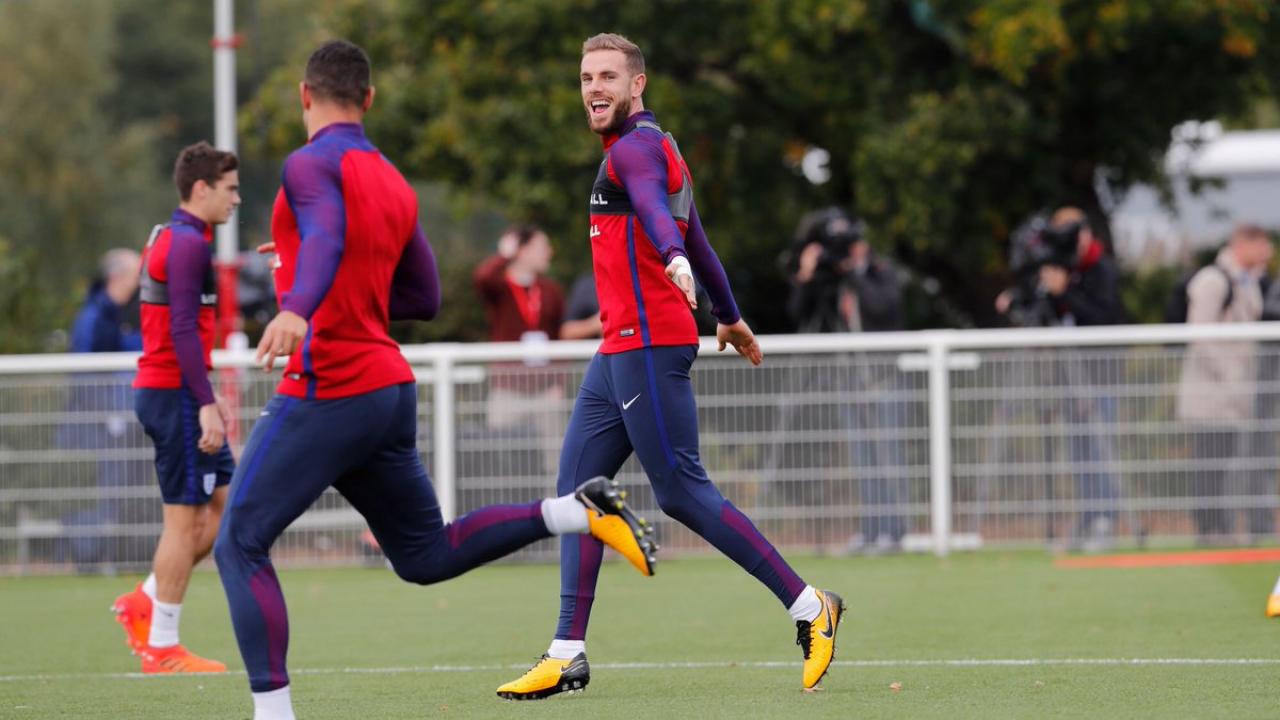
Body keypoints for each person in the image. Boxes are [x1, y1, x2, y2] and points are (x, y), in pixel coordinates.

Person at [211, 40, 657, 720]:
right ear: (370, 100)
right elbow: (419, 297)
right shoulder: (391, 180)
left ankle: (274, 716)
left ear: (306, 96)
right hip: (389, 389)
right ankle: (578, 510)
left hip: (332, 382)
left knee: (239, 541)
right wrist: (311, 273)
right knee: (425, 555)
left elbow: (328, 234)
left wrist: (300, 304)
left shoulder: (307, 165)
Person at [495, 33, 844, 700]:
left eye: (607, 77)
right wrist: (730, 312)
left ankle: (810, 607)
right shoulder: (654, 145)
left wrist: (674, 260)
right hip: (620, 349)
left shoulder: (636, 149)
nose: (594, 87)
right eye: (586, 76)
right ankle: (567, 650)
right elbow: (698, 235)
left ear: (637, 85)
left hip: (649, 343)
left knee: (682, 490)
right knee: (577, 495)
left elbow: (667, 224)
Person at [110, 142, 241, 674]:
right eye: (230, 188)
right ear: (201, 188)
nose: (238, 199)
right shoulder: (185, 244)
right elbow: (183, 329)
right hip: (175, 395)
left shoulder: (173, 236)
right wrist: (206, 402)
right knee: (182, 522)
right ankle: (162, 644)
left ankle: (144, 598)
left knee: (231, 506)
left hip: (178, 391)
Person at [995, 207, 1126, 548]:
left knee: (1100, 451)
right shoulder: (1058, 268)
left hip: (1099, 379)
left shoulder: (1101, 269)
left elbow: (1105, 320)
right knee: (1079, 454)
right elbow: (1048, 316)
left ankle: (1104, 520)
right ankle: (1086, 517)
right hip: (1067, 381)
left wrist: (1064, 292)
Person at [787, 208, 911, 552]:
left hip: (883, 381)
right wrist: (807, 275)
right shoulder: (831, 278)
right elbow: (799, 313)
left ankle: (895, 531)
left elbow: (884, 307)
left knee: (889, 458)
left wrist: (855, 273)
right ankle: (871, 530)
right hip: (848, 384)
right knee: (863, 460)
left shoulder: (879, 272)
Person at [1176, 222, 1272, 544]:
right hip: (1210, 392)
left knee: (1227, 462)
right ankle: (1209, 528)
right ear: (1242, 244)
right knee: (1208, 462)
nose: (1267, 253)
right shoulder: (1213, 280)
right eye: (1261, 245)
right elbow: (1199, 334)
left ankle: (1223, 526)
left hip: (1234, 395)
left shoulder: (1249, 281)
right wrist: (1229, 374)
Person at [61, 249, 144, 568]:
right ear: (117, 278)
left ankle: (118, 557)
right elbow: (83, 372)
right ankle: (91, 558)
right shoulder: (95, 317)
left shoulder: (118, 315)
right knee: (103, 494)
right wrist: (106, 413)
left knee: (123, 492)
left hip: (121, 425)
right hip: (95, 429)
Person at [473, 225, 568, 473]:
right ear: (522, 251)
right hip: (508, 389)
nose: (548, 252)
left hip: (545, 390)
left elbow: (560, 338)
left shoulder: (551, 291)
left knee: (556, 459)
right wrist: (505, 254)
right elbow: (482, 277)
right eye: (541, 247)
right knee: (500, 456)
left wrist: (558, 382)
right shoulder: (500, 288)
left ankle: (554, 509)